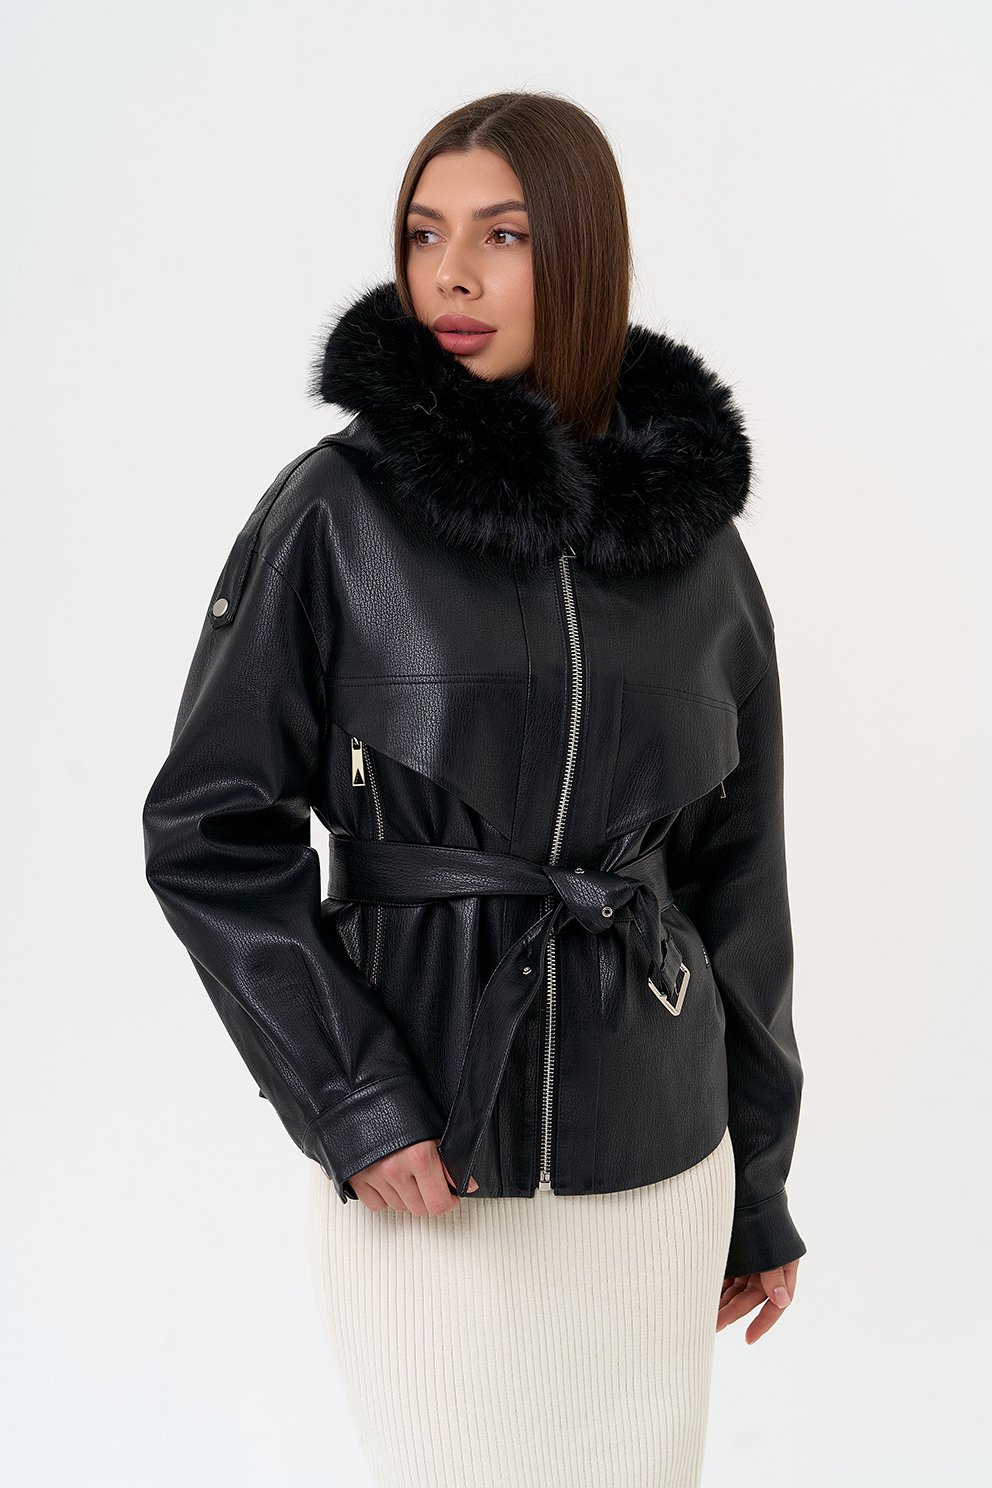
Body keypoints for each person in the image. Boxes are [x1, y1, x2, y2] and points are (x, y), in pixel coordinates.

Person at [142, 90, 805, 1488]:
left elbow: (740, 883)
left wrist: (757, 1185)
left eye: (502, 235)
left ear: (583, 255)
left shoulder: (697, 550)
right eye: (423, 232)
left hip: (660, 1166)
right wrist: (356, 1100)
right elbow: (210, 833)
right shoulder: (336, 511)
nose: (449, 274)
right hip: (432, 1164)